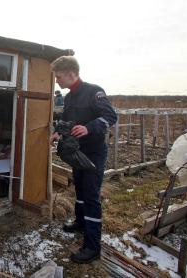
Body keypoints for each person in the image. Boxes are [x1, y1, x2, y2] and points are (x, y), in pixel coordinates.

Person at [49, 56, 117, 264]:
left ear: (71, 74)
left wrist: (89, 128)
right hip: (77, 151)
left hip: (94, 153)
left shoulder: (93, 92)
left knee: (91, 196)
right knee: (79, 188)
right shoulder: (69, 98)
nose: (57, 82)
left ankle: (92, 246)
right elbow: (69, 121)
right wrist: (58, 132)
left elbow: (111, 116)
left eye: (58, 77)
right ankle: (80, 222)